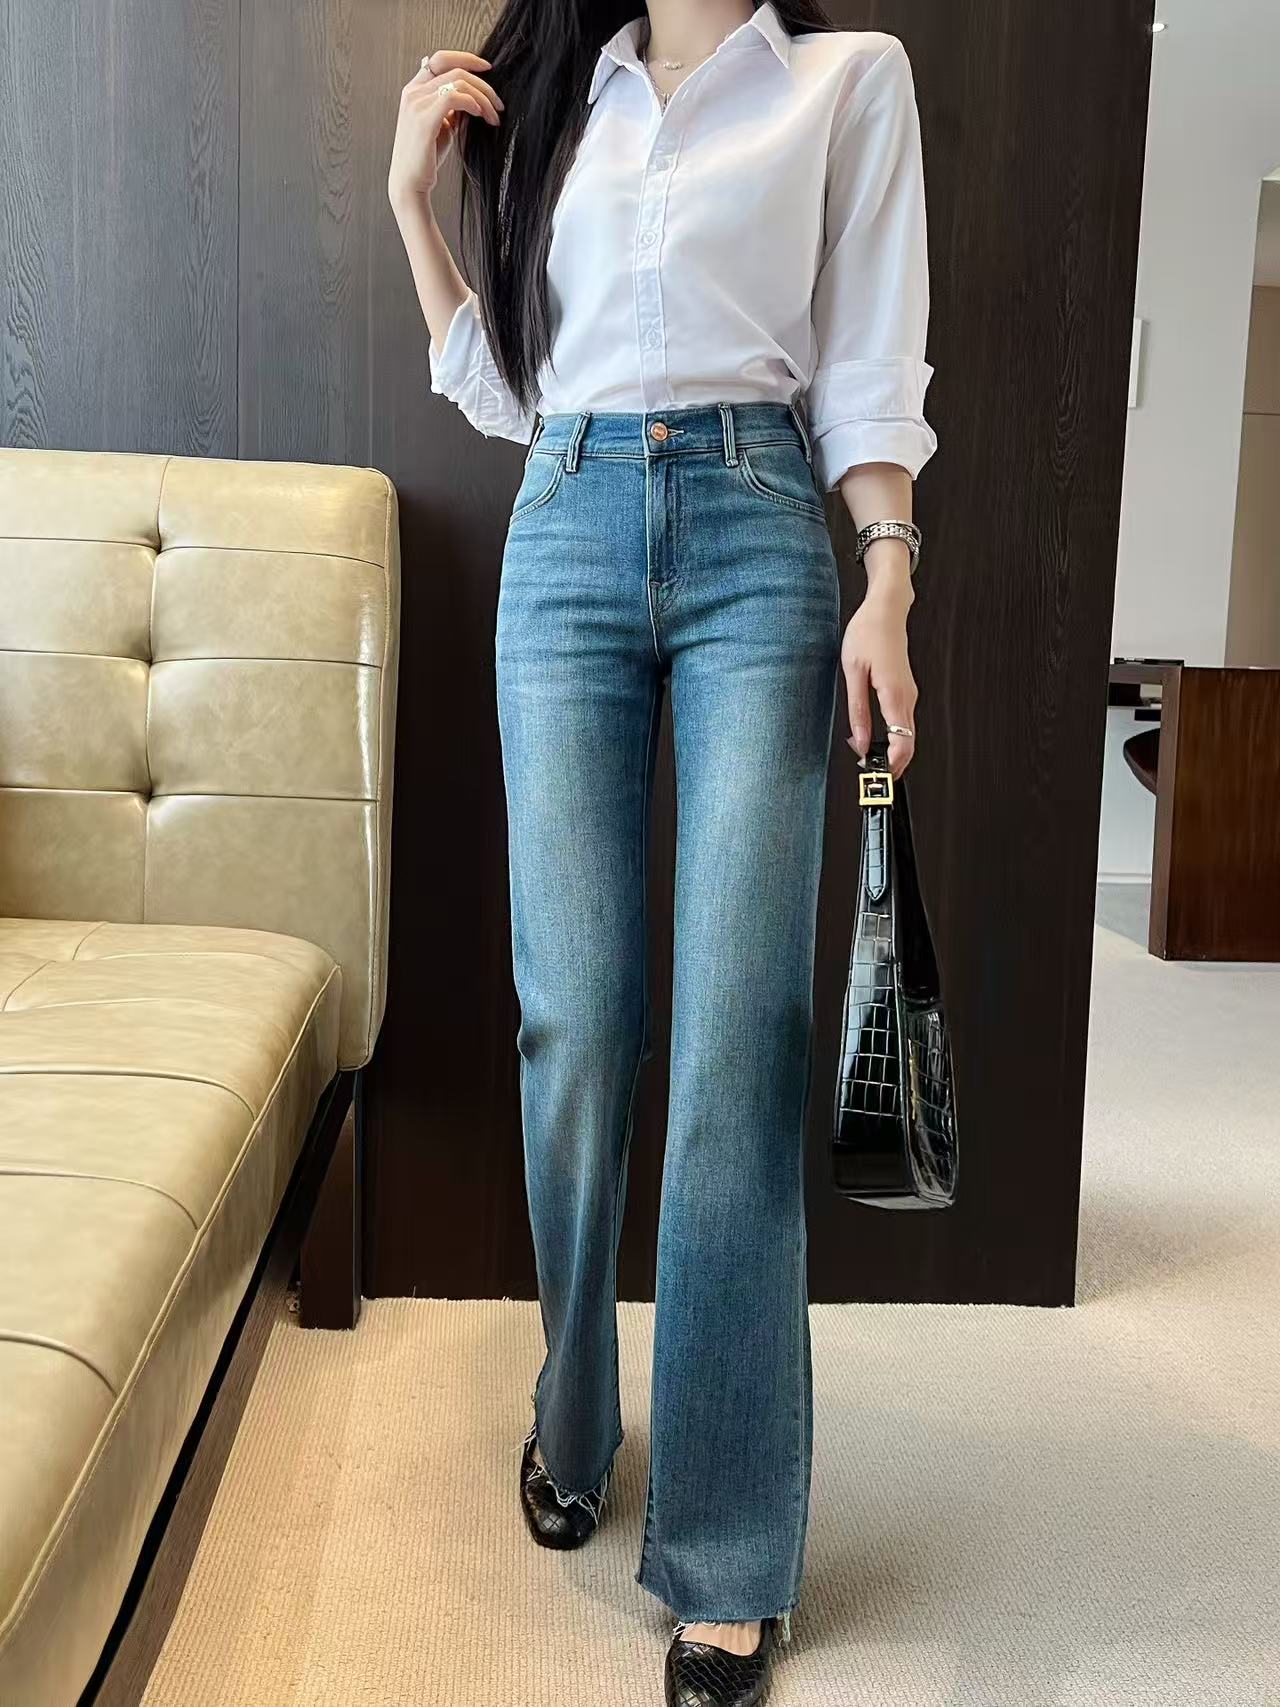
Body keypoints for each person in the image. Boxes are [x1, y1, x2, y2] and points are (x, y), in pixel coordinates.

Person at [389, 4, 935, 1701]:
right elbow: (512, 393)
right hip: (563, 525)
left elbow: (869, 360)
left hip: (757, 531)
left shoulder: (847, 80)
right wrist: (416, 206)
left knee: (735, 1046)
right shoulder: (565, 94)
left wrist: (889, 580)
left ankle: (726, 1553)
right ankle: (573, 1412)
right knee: (573, 1020)